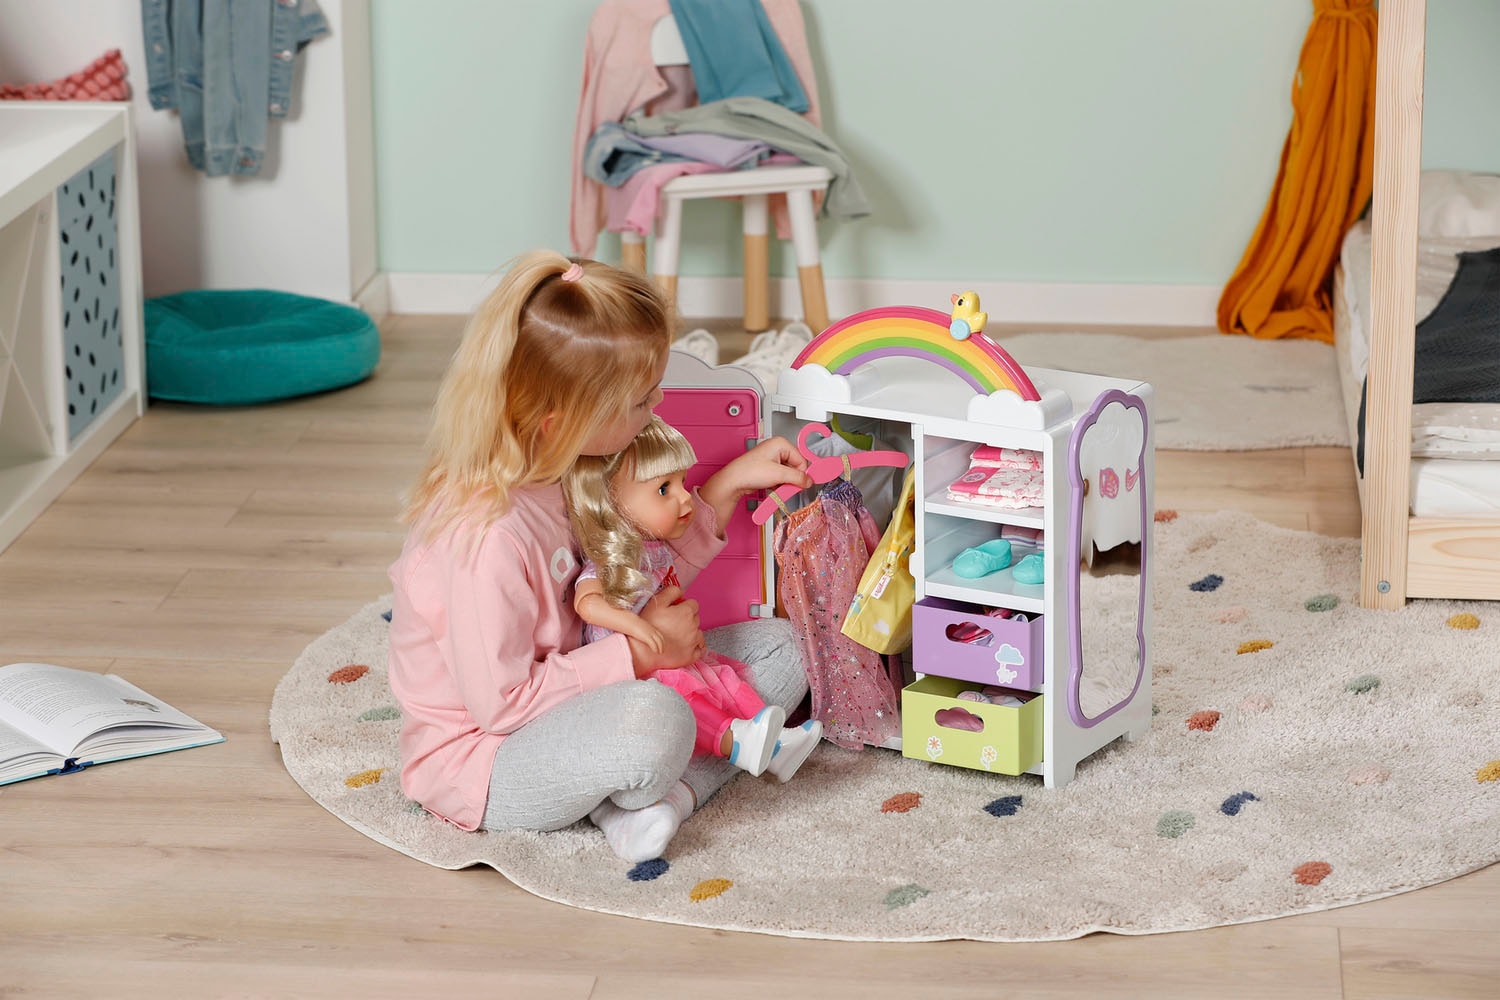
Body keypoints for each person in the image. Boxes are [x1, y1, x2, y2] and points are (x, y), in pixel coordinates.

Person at [386, 250, 813, 865]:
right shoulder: (488, 536)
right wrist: (642, 654)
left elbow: (632, 580)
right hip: (488, 756)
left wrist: (724, 487)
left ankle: (661, 802)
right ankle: (647, 786)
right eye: (642, 401)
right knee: (658, 719)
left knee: (780, 647)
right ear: (564, 420)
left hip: (582, 687)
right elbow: (500, 706)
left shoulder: (572, 466)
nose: (659, 403)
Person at [565, 414, 823, 781]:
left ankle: (773, 741)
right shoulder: (608, 560)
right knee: (681, 697)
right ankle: (733, 742)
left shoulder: (651, 551)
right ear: (611, 503)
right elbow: (587, 603)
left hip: (669, 658)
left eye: (681, 482)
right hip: (633, 682)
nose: (684, 496)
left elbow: (684, 556)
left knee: (722, 679)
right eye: (663, 489)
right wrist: (635, 627)